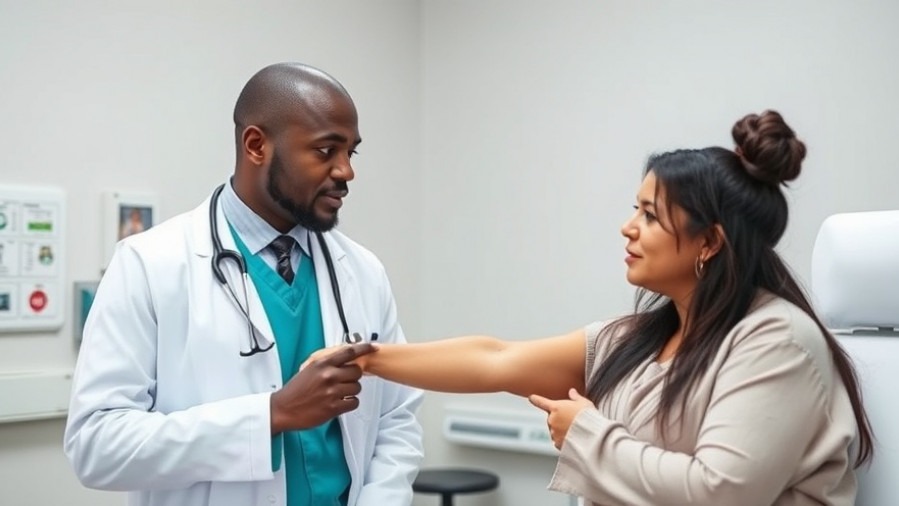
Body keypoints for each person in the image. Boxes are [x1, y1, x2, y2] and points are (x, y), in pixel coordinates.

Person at [317, 110, 874, 505]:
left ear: (709, 242)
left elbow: (721, 492)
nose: (628, 227)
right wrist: (367, 360)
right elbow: (496, 359)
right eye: (636, 208)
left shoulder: (776, 340)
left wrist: (587, 433)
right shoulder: (642, 337)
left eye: (652, 215)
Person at [64, 62, 424, 506]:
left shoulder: (363, 271)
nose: (346, 171)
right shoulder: (149, 264)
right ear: (256, 146)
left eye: (351, 152)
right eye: (326, 151)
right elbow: (97, 446)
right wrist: (271, 415)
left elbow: (397, 416)